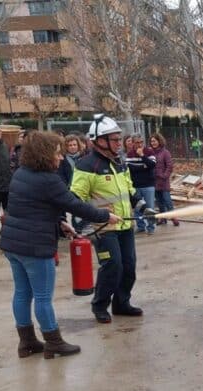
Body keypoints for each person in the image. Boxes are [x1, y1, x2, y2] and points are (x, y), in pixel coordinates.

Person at [0, 131, 122, 359]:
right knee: (43, 297)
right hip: (35, 247)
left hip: (13, 244)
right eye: (57, 153)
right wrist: (104, 216)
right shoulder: (48, 180)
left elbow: (30, 206)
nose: (61, 158)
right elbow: (75, 205)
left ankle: (26, 343)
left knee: (22, 293)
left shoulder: (21, 174)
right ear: (45, 154)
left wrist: (59, 222)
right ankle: (53, 342)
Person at [71, 114, 154, 323]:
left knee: (129, 266)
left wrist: (142, 206)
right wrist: (97, 218)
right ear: (100, 140)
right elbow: (75, 199)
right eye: (115, 139)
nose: (120, 143)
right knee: (112, 266)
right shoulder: (86, 165)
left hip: (124, 223)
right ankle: (99, 305)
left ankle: (121, 303)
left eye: (119, 139)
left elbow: (129, 189)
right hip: (102, 227)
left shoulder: (120, 162)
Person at [127, 133, 157, 234]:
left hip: (148, 185)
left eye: (141, 142)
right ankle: (140, 226)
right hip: (135, 185)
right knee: (137, 207)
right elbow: (130, 168)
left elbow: (152, 165)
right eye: (137, 143)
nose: (140, 145)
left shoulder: (149, 151)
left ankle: (151, 227)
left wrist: (142, 156)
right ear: (133, 143)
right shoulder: (130, 154)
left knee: (150, 207)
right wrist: (144, 166)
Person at [148, 133, 178, 226]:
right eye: (151, 141)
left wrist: (164, 176)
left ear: (159, 141)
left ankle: (174, 217)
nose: (153, 143)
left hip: (163, 181)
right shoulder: (150, 152)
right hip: (154, 181)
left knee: (167, 200)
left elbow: (170, 166)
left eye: (155, 141)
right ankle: (163, 218)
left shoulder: (165, 152)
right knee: (159, 201)